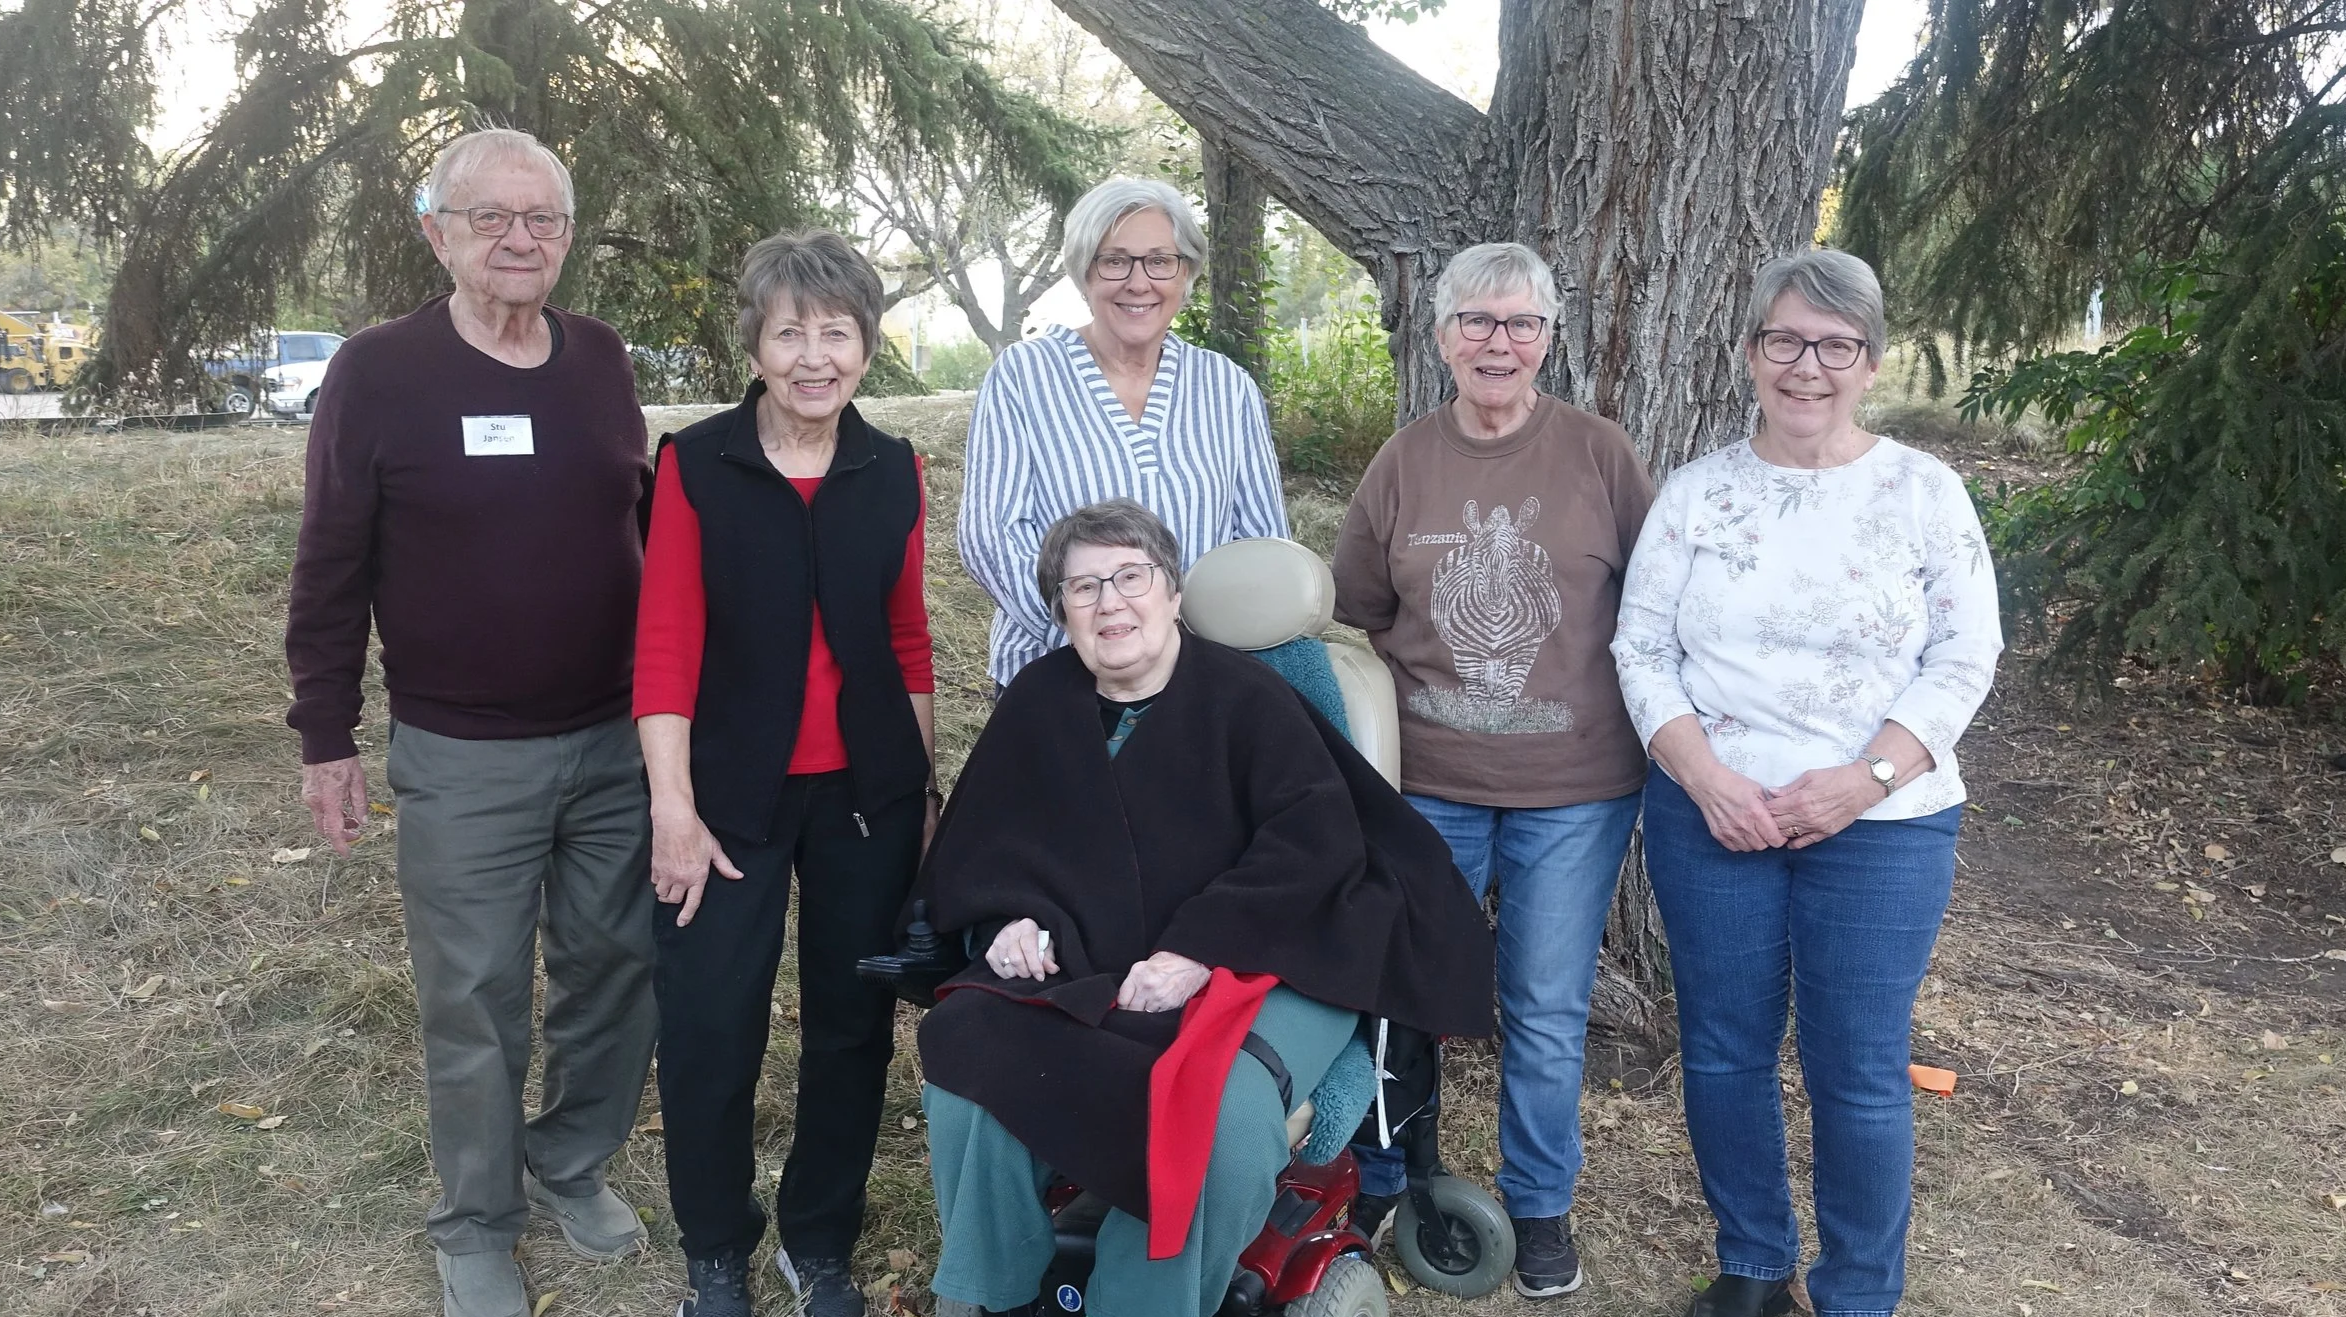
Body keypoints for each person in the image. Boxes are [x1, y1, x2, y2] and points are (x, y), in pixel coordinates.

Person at [914, 500, 1494, 1317]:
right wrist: (1005, 918)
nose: (1110, 602)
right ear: (1060, 611)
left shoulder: (1249, 698)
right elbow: (991, 848)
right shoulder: (1040, 701)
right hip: (1095, 958)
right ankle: (993, 1295)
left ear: (1174, 592)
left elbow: (1318, 846)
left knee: (1217, 1115)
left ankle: (1140, 1302)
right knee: (966, 1048)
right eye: (1083, 588)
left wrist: (1197, 948)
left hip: (1272, 953)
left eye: (1129, 576)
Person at [285, 128, 656, 1317]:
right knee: (475, 995)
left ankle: (569, 1160)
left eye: (540, 218)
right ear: (435, 230)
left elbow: (641, 526)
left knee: (616, 967)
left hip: (616, 741)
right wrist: (326, 734)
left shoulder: (599, 359)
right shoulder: (380, 373)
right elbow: (330, 565)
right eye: (489, 217)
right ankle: (477, 1219)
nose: (517, 239)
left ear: (565, 233)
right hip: (461, 754)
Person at [1609, 249, 2003, 1317]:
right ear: (1750, 353)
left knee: (1859, 1067)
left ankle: (1858, 1292)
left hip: (1883, 826)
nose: (1807, 367)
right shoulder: (1695, 496)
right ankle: (1752, 1265)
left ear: (1869, 362)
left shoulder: (1924, 493)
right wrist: (1705, 779)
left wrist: (1863, 781)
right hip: (1713, 820)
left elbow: (1967, 657)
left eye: (1835, 346)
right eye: (1784, 340)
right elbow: (1641, 650)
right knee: (1727, 1051)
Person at [1330, 241, 1656, 1298]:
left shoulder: (1602, 458)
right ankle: (1388, 1174)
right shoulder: (1403, 463)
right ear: (1439, 339)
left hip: (1576, 790)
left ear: (1550, 339)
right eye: (1477, 322)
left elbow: (1652, 614)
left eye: (1520, 324)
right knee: (1401, 992)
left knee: (1548, 1005)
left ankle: (1538, 1205)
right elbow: (1354, 620)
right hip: (1429, 785)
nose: (1498, 343)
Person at [632, 230, 938, 1317]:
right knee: (712, 1023)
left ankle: (821, 1245)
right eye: (790, 331)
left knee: (852, 1029)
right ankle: (715, 1250)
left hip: (867, 797)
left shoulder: (891, 467)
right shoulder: (695, 464)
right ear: (755, 345)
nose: (816, 355)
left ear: (867, 345)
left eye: (837, 332)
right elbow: (663, 645)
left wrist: (926, 795)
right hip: (723, 802)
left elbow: (908, 640)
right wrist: (671, 808)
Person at [958, 177, 1289, 693]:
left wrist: (1191, 660)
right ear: (1084, 271)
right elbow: (991, 535)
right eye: (1115, 261)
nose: (1139, 282)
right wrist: (1097, 640)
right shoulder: (1025, 375)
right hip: (1058, 672)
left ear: (1186, 272)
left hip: (1199, 683)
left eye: (1160, 261)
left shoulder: (1229, 386)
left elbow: (1261, 543)